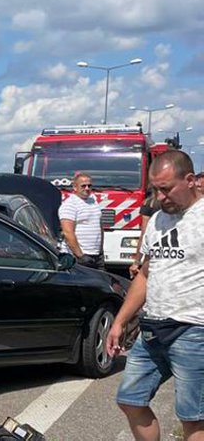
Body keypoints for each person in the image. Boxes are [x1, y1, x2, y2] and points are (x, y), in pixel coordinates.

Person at [107, 150, 204, 441]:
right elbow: (146, 275)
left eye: (166, 188)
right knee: (130, 399)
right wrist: (120, 321)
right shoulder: (159, 220)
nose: (160, 197)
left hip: (193, 329)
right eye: (155, 190)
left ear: (190, 180)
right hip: (152, 329)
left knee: (193, 418)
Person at [58, 172, 104, 269]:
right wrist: (80, 256)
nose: (87, 188)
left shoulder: (93, 201)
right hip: (79, 256)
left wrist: (100, 251)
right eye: (83, 186)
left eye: (89, 185)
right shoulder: (70, 204)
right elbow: (68, 232)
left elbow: (99, 227)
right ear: (75, 187)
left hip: (96, 255)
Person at [130, 189, 161, 278]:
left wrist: (137, 262)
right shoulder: (175, 204)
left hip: (153, 250)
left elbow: (144, 233)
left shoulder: (148, 203)